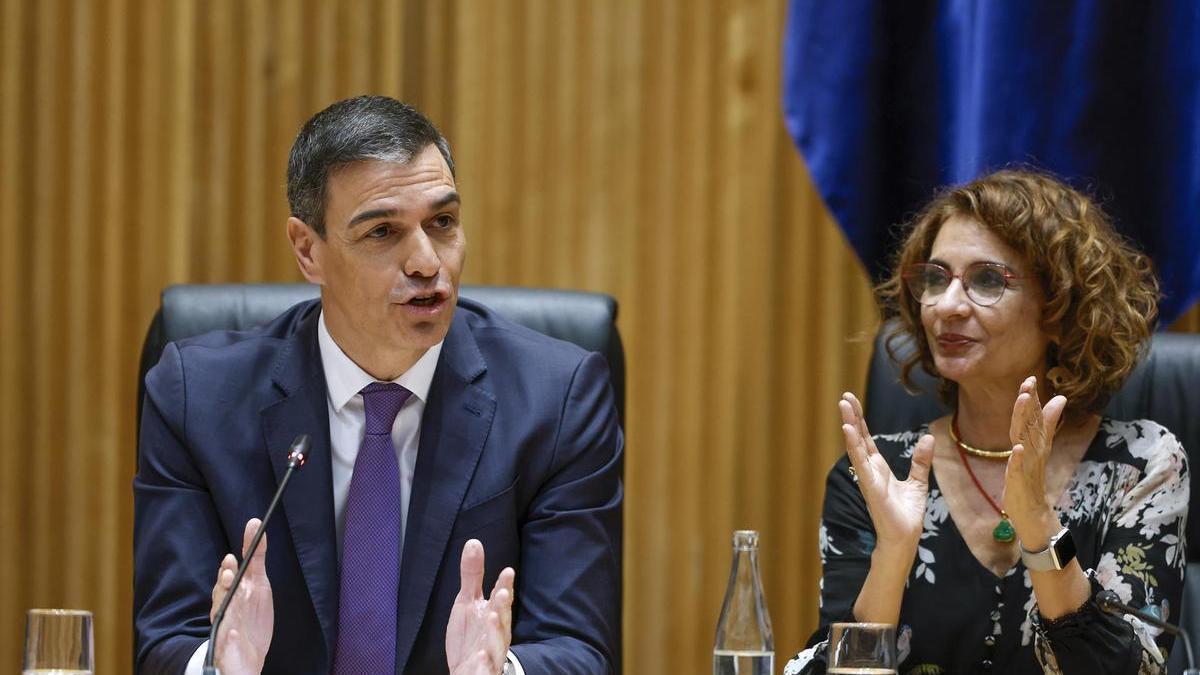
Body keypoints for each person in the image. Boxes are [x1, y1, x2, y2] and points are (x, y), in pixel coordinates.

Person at [133, 96, 623, 674]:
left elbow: (581, 650)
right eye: (382, 232)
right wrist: (217, 666)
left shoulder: (559, 399)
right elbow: (165, 641)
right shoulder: (195, 399)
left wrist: (502, 673)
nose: (425, 262)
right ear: (307, 249)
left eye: (442, 223)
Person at [784, 170, 1188, 674]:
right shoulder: (877, 474)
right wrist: (891, 558)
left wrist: (1040, 531)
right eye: (935, 278)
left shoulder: (1141, 464)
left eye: (986, 280)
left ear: (1061, 308)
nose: (946, 306)